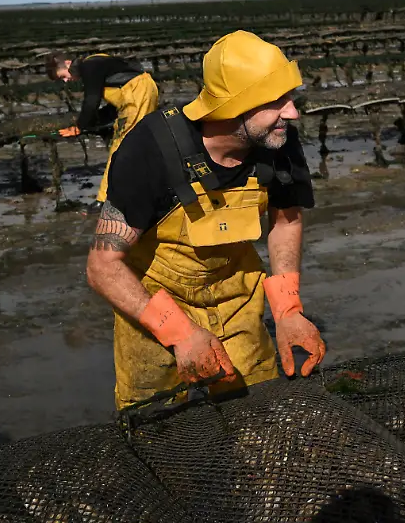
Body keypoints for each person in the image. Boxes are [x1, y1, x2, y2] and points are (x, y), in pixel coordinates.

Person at [85, 30, 326, 410]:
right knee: (155, 417)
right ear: (234, 105)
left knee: (256, 411)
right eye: (276, 101)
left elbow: (286, 222)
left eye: (290, 98)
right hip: (156, 302)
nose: (292, 112)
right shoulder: (150, 149)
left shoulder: (278, 143)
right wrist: (179, 333)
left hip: (237, 297)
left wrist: (288, 311)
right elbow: (102, 266)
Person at [45, 51, 159, 214]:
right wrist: (94, 121)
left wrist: (79, 127)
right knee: (140, 146)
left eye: (62, 76)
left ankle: (104, 200)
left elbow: (92, 99)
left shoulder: (88, 67)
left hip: (138, 95)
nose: (65, 80)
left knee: (120, 148)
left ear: (68, 64)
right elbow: (116, 100)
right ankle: (147, 190)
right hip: (141, 92)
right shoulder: (95, 61)